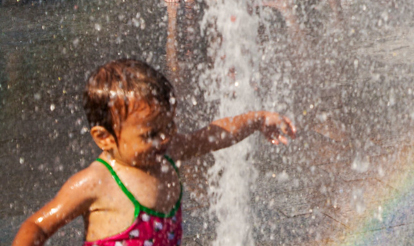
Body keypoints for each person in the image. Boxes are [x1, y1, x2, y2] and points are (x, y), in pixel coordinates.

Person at [11, 59, 296, 246]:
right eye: (150, 134)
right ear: (104, 138)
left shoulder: (169, 153)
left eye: (169, 126)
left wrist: (259, 119)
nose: (165, 138)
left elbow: (214, 135)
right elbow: (36, 226)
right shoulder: (97, 182)